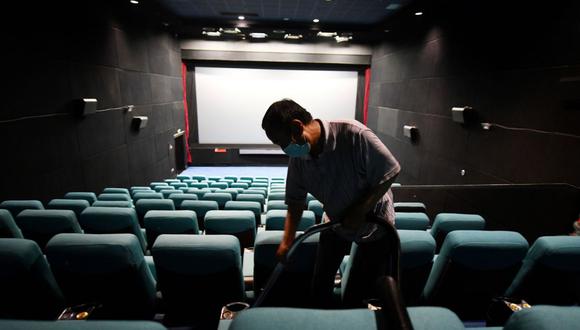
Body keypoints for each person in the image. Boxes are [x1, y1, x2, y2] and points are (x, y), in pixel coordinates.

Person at [261, 99, 401, 308]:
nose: (283, 149)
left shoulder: (354, 134)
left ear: (297, 127)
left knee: (358, 289)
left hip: (376, 224)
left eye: (281, 142)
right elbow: (295, 202)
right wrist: (287, 240)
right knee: (320, 281)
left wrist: (360, 210)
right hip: (334, 222)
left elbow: (391, 170)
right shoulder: (299, 158)